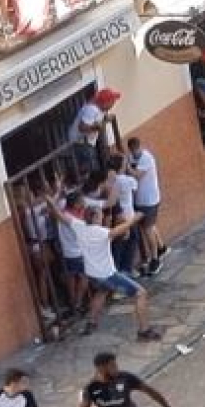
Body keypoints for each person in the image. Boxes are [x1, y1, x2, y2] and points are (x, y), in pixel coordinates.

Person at [73, 206, 160, 341]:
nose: (102, 216)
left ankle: (91, 323)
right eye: (100, 214)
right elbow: (118, 230)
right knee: (141, 293)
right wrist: (134, 219)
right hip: (107, 274)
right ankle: (144, 330)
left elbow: (61, 216)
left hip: (93, 274)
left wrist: (50, 201)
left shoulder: (79, 227)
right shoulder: (101, 232)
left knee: (102, 291)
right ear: (95, 217)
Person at [125, 137, 167, 278]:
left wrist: (126, 167)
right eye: (132, 150)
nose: (133, 153)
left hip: (149, 199)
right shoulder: (131, 157)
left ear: (139, 147)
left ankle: (155, 259)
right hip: (140, 199)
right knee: (148, 226)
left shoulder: (146, 158)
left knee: (148, 229)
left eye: (135, 150)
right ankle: (161, 248)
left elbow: (137, 175)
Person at [69, 88, 121, 174]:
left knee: (92, 166)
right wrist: (96, 127)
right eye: (112, 101)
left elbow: (96, 119)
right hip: (81, 143)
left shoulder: (100, 108)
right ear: (106, 102)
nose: (113, 103)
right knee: (91, 169)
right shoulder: (92, 109)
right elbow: (82, 127)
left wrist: (105, 119)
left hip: (85, 142)